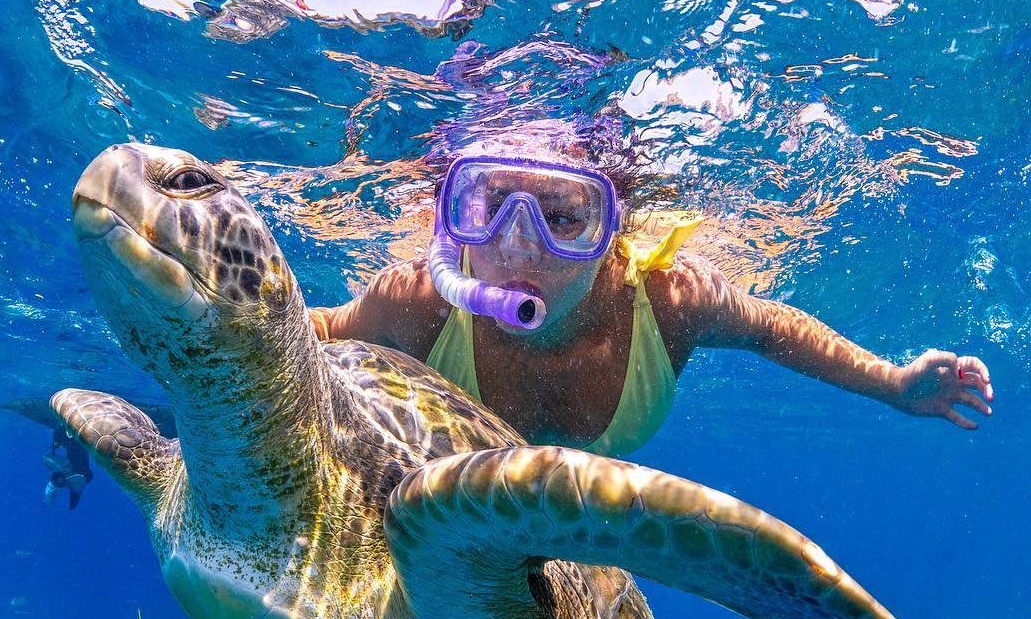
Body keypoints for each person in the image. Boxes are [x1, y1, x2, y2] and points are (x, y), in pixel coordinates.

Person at [310, 142, 993, 458]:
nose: (517, 248)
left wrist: (892, 383)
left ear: (615, 231)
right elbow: (311, 329)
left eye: (561, 217)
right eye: (489, 208)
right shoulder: (420, 301)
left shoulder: (670, 300)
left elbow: (769, 328)